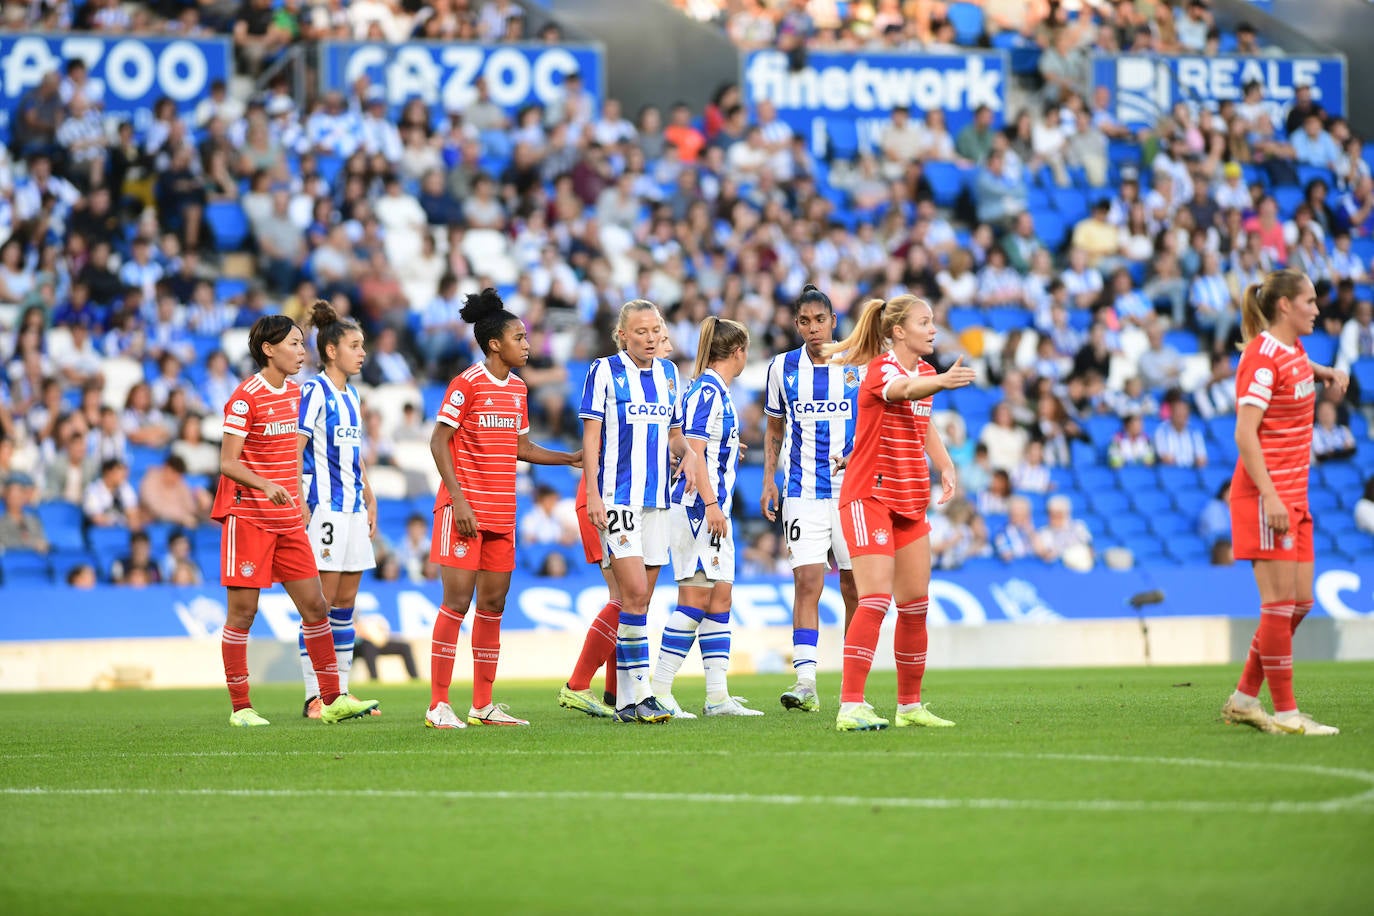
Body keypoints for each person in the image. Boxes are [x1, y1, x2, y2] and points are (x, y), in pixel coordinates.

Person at [424, 289, 581, 729]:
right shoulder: (467, 383)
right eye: (520, 336)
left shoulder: (517, 388)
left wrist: (568, 458)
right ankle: (438, 704)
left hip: (501, 513)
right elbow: (438, 440)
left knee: (493, 606)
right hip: (464, 511)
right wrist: (458, 498)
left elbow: (521, 447)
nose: (528, 344)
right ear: (495, 343)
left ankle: (482, 704)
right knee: (456, 604)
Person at [212, 314, 379, 727]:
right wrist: (265, 485)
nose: (301, 351)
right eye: (293, 344)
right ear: (268, 350)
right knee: (243, 613)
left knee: (316, 607)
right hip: (249, 517)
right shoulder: (244, 397)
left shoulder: (299, 395)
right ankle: (241, 707)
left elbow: (308, 450)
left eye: (303, 344)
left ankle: (330, 698)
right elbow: (227, 462)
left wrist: (303, 495)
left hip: (289, 520)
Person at [823, 294, 976, 732]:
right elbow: (903, 392)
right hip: (868, 497)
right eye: (925, 323)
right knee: (874, 599)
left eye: (933, 322)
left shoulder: (926, 372)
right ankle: (850, 705)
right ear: (897, 331)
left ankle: (909, 706)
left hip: (909, 499)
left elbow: (921, 418)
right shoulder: (882, 370)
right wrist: (944, 383)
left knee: (915, 606)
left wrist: (946, 465)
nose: (933, 329)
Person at [1222, 269, 1348, 737]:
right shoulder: (1259, 359)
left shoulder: (1293, 350)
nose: (1317, 309)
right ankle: (1288, 713)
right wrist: (1271, 496)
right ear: (1285, 307)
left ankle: (1242, 699)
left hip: (1296, 494)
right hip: (1266, 496)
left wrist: (1326, 371)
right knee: (1277, 606)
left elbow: (1295, 370)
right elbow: (1244, 433)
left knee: (1299, 603)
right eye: (1310, 301)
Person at [560, 300, 692, 725]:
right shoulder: (604, 371)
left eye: (656, 330)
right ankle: (635, 696)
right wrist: (594, 494)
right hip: (617, 498)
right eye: (641, 331)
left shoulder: (671, 374)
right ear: (623, 336)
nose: (651, 338)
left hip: (657, 500)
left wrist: (688, 455)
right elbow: (592, 439)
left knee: (641, 601)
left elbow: (674, 434)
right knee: (631, 593)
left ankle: (630, 698)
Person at [650, 316, 762, 718]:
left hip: (714, 506)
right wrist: (712, 504)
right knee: (695, 598)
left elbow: (706, 446)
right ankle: (659, 688)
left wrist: (731, 450)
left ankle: (717, 696)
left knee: (720, 598)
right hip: (699, 508)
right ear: (738, 352)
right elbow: (692, 449)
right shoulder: (709, 391)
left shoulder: (716, 391)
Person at [760, 286, 860, 714]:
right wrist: (769, 480)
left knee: (856, 587)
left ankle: (855, 683)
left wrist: (856, 454)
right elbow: (774, 430)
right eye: (804, 321)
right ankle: (805, 682)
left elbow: (875, 421)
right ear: (796, 324)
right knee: (808, 583)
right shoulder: (782, 368)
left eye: (820, 319)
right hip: (803, 491)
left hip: (853, 491)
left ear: (833, 320)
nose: (813, 328)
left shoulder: (859, 363)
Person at [295, 301, 381, 719]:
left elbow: (354, 454)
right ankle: (316, 696)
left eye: (363, 345)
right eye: (354, 345)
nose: (362, 352)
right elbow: (297, 447)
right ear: (331, 351)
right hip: (324, 508)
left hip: (351, 507)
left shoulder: (353, 396)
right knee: (320, 605)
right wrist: (298, 498)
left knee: (346, 605)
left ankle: (341, 693)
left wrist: (370, 494)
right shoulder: (314, 391)